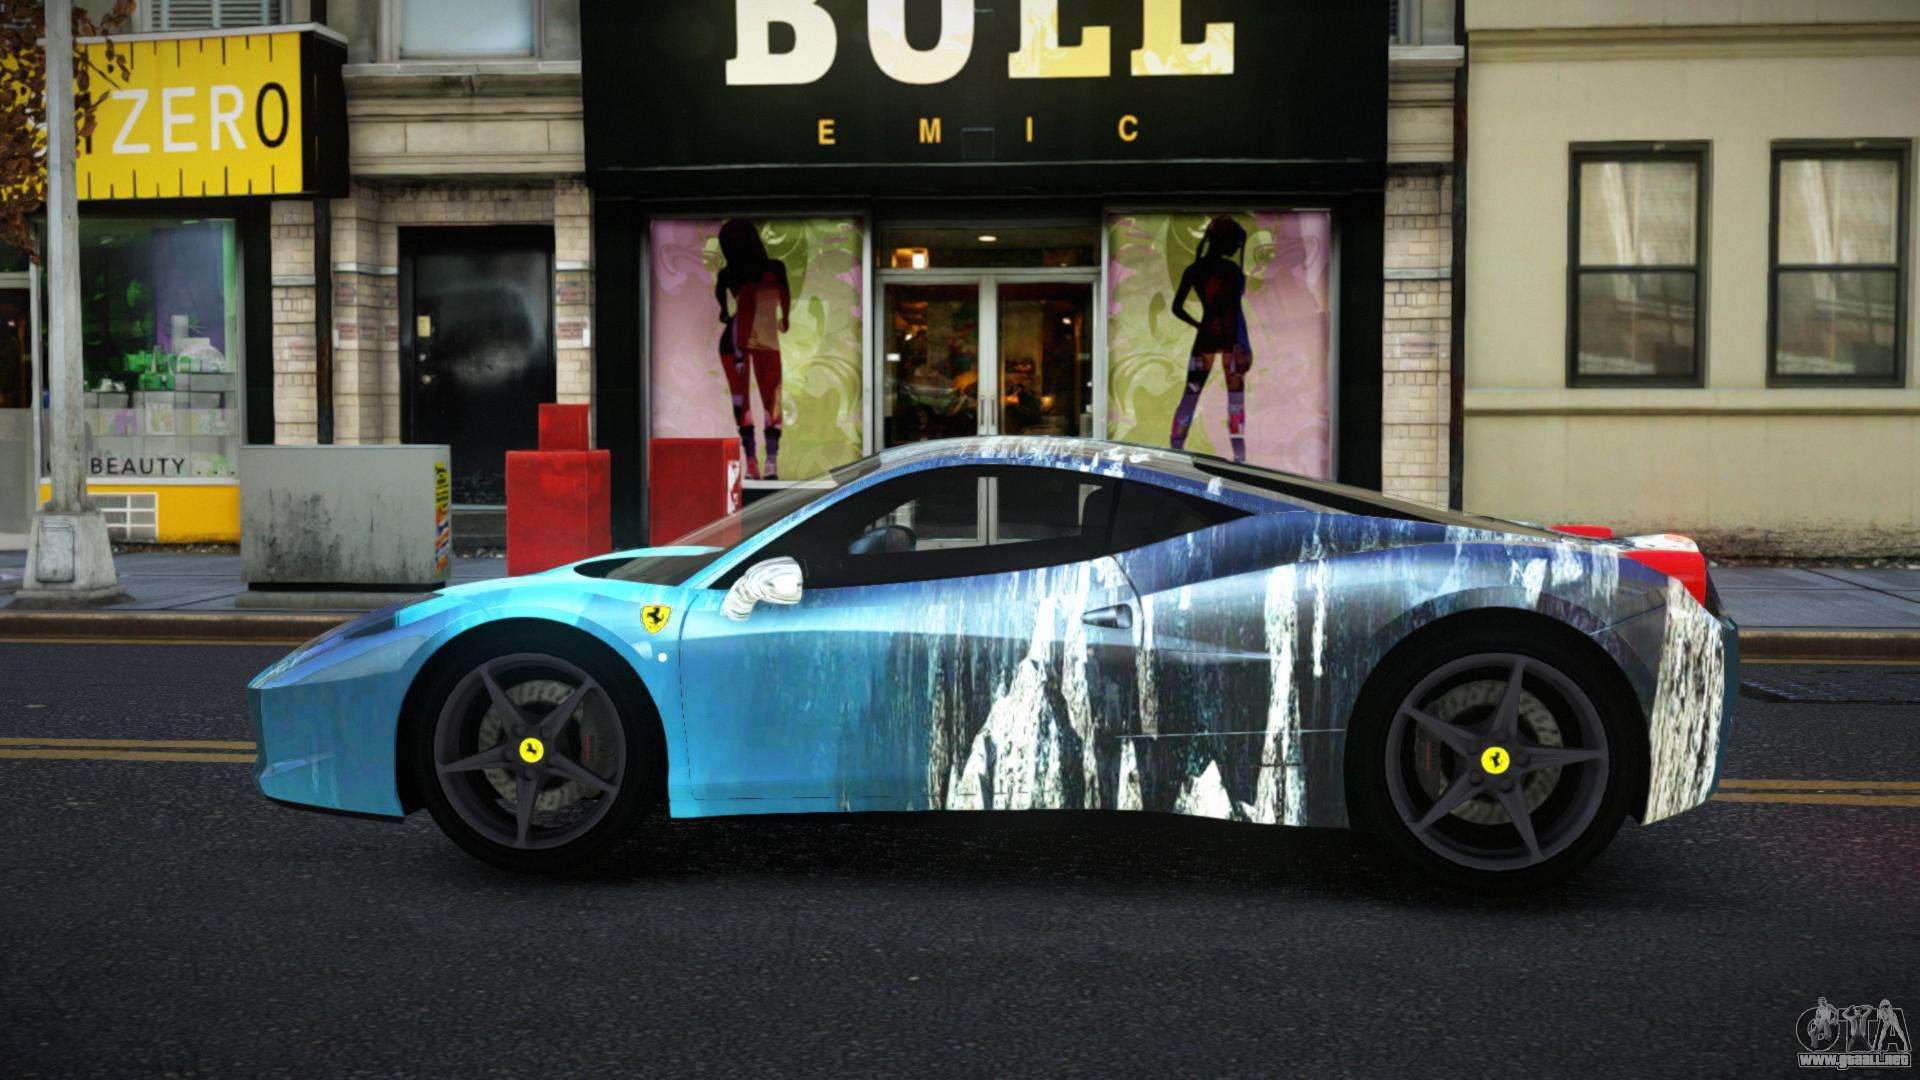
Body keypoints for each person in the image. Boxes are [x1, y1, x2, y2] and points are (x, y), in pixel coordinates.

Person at [1168, 216, 1252, 463]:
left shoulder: (1194, 270)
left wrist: (1199, 325)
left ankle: (1175, 448)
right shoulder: (1231, 270)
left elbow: (1176, 308)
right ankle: (1239, 455)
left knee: (1191, 394)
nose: (1236, 248)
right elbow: (1236, 311)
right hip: (1232, 338)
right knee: (1235, 399)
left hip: (1207, 337)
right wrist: (1244, 345)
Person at [714, 220, 791, 480]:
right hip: (753, 339)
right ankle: (765, 464)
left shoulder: (730, 273)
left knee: (748, 402)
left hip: (743, 340)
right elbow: (782, 299)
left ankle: (757, 464)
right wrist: (784, 318)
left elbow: (725, 306)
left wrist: (725, 313)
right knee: (767, 400)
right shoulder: (774, 269)